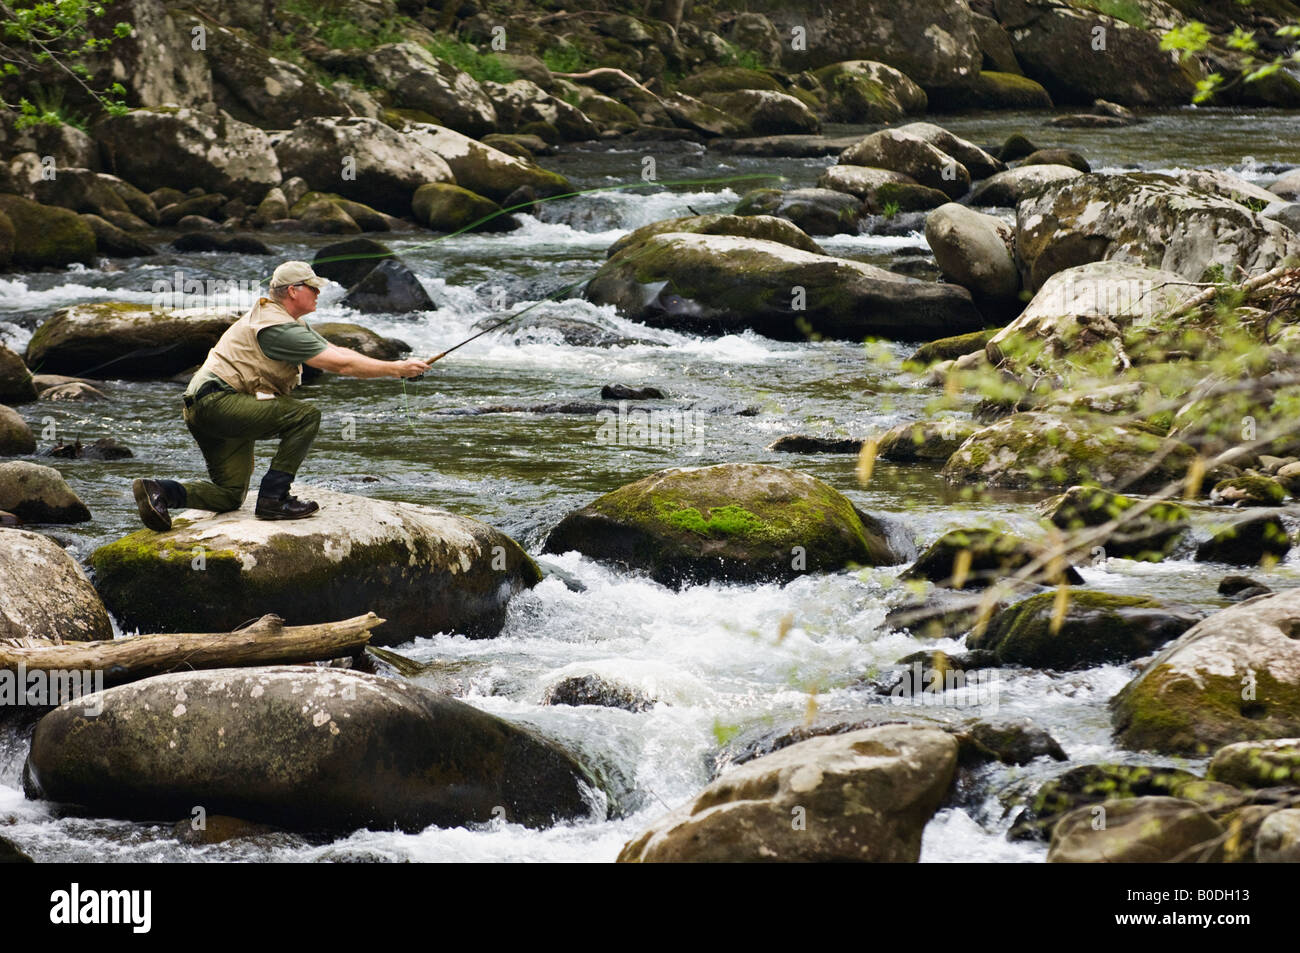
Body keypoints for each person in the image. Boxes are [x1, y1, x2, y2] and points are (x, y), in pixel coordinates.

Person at [132, 261, 430, 531]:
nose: (317, 293)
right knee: (305, 416)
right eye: (313, 288)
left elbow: (338, 351)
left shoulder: (286, 321)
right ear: (293, 291)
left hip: (205, 406)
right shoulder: (279, 329)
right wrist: (395, 369)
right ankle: (275, 497)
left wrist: (398, 366)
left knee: (229, 496)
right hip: (219, 403)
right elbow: (341, 364)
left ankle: (160, 491)